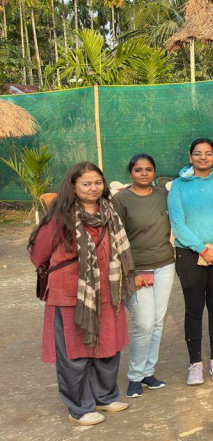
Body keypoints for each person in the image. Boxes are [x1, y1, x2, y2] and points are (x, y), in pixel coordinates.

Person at [29, 162, 134, 426]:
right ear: (73, 187)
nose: (93, 188)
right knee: (74, 355)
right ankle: (79, 407)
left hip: (109, 292)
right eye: (86, 183)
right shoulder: (60, 219)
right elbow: (39, 255)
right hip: (70, 297)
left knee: (108, 348)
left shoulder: (111, 214)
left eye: (97, 182)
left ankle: (105, 397)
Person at [168, 138, 213, 385]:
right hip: (188, 254)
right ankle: (195, 364)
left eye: (208, 153)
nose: (203, 158)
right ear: (190, 157)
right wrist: (201, 249)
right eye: (198, 154)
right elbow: (178, 222)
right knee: (194, 309)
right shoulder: (178, 185)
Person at [113, 154, 173, 398]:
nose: (144, 174)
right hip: (136, 269)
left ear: (155, 172)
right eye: (139, 170)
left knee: (158, 322)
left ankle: (148, 372)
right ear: (131, 173)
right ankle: (135, 377)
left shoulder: (165, 197)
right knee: (144, 323)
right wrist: (129, 271)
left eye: (149, 169)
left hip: (165, 265)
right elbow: (114, 237)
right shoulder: (121, 199)